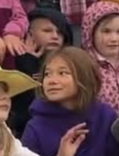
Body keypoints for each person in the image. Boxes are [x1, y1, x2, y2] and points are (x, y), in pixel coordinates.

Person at [10, 8, 73, 137]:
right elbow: (27, 105)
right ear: (29, 35)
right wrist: (28, 62)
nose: (55, 36)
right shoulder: (15, 62)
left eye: (60, 32)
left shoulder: (72, 63)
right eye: (47, 31)